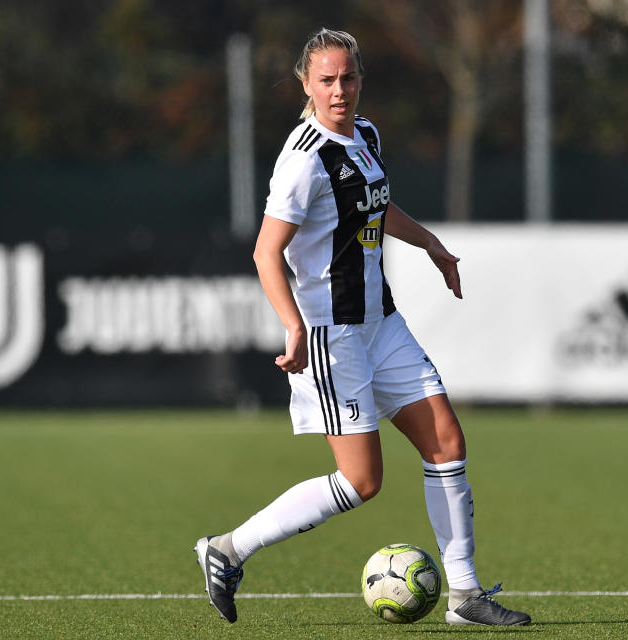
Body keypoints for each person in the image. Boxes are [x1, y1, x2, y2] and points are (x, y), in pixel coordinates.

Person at [194, 28, 531, 627]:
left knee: (447, 442)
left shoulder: (366, 134)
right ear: (306, 84)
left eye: (348, 77)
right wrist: (293, 327)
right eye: (326, 79)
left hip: (383, 322)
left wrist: (429, 242)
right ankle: (227, 549)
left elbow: (374, 206)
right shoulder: (302, 159)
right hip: (333, 335)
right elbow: (266, 253)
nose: (339, 89)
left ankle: (466, 596)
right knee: (362, 480)